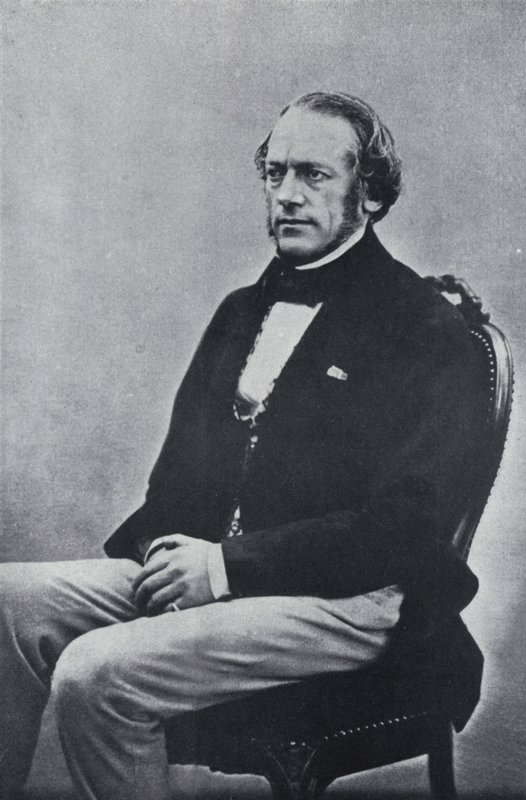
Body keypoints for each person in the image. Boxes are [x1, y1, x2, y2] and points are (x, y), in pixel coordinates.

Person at [0, 91, 481, 800]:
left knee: (96, 672)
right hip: (227, 575)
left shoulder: (424, 329)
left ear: (372, 193)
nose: (287, 195)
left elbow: (402, 529)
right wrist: (172, 559)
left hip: (352, 600)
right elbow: (173, 486)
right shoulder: (241, 311)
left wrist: (224, 568)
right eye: (275, 173)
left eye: (314, 174)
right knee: (7, 601)